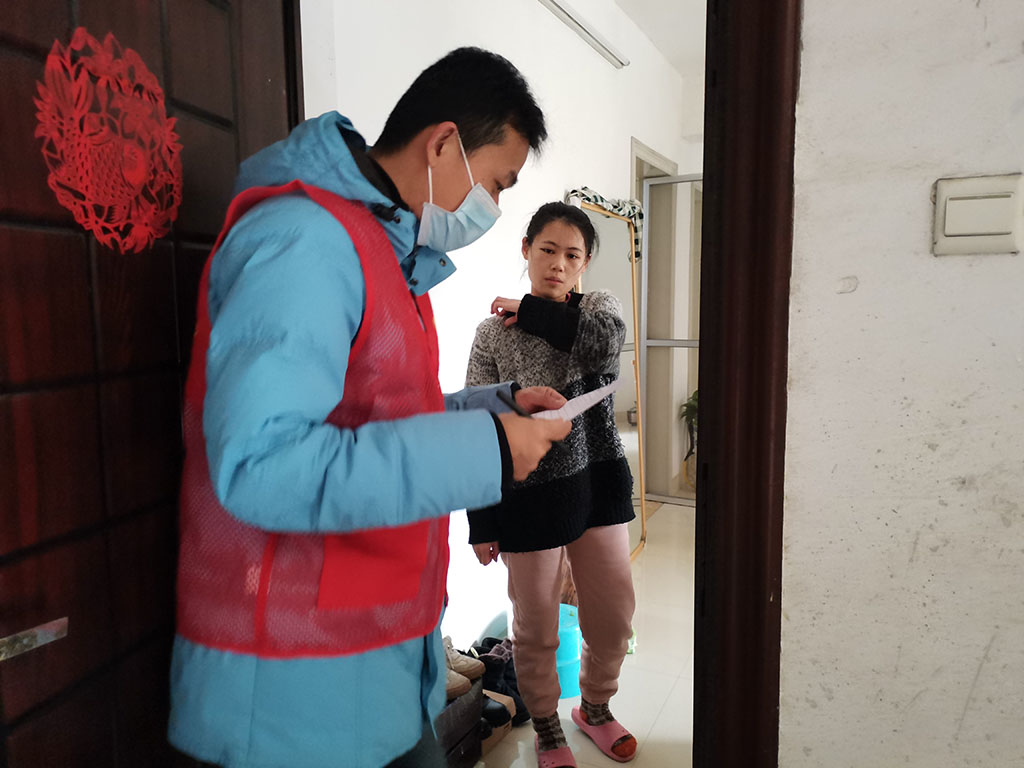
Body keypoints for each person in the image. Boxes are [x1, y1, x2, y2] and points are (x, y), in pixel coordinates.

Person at [168, 48, 571, 768]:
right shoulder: (302, 239)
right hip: (290, 678)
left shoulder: (386, 252)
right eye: (497, 183)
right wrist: (487, 450)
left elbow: (374, 417)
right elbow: (264, 462)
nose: (493, 207)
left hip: (368, 651)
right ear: (443, 144)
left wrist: (494, 410)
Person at [466, 202, 638, 766]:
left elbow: (603, 348)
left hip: (598, 489)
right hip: (528, 500)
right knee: (535, 626)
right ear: (526, 249)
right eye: (547, 250)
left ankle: (595, 709)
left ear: (585, 263)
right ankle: (545, 725)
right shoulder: (492, 335)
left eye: (572, 255)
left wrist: (533, 311)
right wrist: (481, 521)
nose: (558, 264)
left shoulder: (598, 311)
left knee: (613, 617)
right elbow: (477, 425)